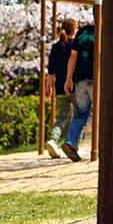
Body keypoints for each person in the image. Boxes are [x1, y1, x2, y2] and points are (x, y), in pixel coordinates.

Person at [62, 20, 95, 162]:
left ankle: (71, 142)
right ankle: (100, 146)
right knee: (102, 113)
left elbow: (73, 57)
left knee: (80, 114)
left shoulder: (82, 32)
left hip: (80, 79)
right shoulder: (106, 31)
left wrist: (68, 78)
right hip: (96, 79)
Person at [45, 18, 77, 159]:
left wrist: (48, 87)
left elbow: (51, 71)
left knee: (62, 117)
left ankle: (53, 140)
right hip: (75, 86)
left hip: (59, 88)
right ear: (74, 29)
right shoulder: (75, 46)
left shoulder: (56, 47)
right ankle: (71, 144)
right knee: (78, 117)